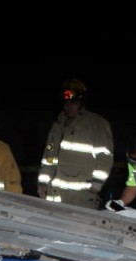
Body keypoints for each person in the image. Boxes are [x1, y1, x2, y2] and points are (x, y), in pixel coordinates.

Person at [37, 79, 114, 209]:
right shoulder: (57, 125)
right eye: (66, 103)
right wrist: (43, 183)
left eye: (74, 103)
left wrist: (97, 183)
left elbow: (105, 156)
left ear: (81, 103)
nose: (69, 107)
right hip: (54, 195)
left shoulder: (96, 124)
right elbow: (48, 156)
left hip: (81, 196)